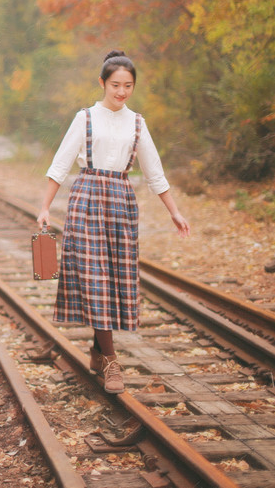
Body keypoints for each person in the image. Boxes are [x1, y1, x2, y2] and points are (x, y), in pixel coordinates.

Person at [36, 50, 190, 393]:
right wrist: (45, 207)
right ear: (103, 83)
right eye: (116, 85)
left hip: (121, 202)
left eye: (128, 85)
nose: (121, 92)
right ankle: (112, 361)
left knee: (111, 279)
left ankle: (96, 349)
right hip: (87, 199)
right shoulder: (86, 117)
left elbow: (155, 172)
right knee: (94, 277)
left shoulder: (137, 122)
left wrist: (174, 211)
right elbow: (60, 164)